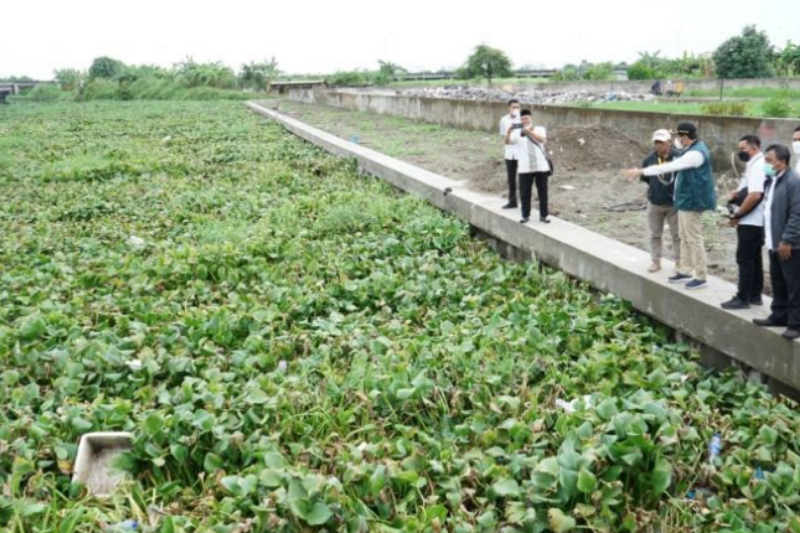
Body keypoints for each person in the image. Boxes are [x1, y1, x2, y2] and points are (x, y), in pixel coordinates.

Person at [623, 122, 717, 290]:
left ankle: (701, 276)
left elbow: (671, 166)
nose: (676, 140)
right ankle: (685, 270)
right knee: (684, 236)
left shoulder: (695, 154)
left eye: (678, 137)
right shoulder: (691, 149)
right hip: (684, 201)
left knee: (693, 238)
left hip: (692, 202)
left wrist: (641, 171)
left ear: (685, 137)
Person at [753, 145, 800, 340]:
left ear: (782, 162)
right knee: (778, 282)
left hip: (789, 245)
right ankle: (778, 315)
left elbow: (797, 213)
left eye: (769, 161)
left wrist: (788, 239)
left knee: (794, 285)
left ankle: (796, 324)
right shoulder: (773, 180)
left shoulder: (793, 181)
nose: (766, 164)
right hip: (774, 243)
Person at [721, 135, 767, 310]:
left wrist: (738, 214)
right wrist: (736, 193)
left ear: (753, 148)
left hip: (752, 220)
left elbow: (755, 195)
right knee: (754, 258)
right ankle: (755, 295)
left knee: (744, 258)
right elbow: (749, 189)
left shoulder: (758, 166)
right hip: (753, 220)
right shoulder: (754, 164)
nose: (740, 152)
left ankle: (743, 297)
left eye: (742, 149)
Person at [634, 129, 681, 273]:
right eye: (656, 143)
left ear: (669, 142)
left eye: (661, 143)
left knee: (677, 235)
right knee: (655, 234)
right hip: (655, 203)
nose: (659, 146)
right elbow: (646, 179)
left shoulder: (678, 158)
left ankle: (679, 263)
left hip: (674, 205)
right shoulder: (649, 159)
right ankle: (655, 261)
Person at [517, 109, 550, 224]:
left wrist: (529, 132)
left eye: (526, 118)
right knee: (525, 193)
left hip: (541, 166)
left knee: (543, 192)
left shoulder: (540, 129)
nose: (524, 120)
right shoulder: (518, 131)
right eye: (522, 119)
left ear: (531, 118)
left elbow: (542, 140)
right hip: (525, 167)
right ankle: (525, 215)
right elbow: (509, 141)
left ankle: (544, 215)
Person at [500, 99, 523, 209]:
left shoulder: (523, 119)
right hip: (509, 153)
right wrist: (509, 132)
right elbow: (503, 137)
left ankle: (525, 202)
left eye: (517, 107)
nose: (516, 109)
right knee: (511, 179)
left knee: (524, 178)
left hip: (522, 153)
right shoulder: (504, 120)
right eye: (514, 107)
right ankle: (512, 201)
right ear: (509, 107)